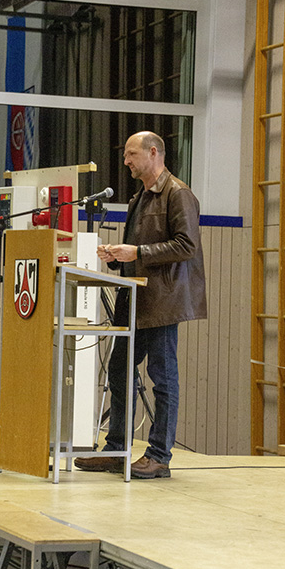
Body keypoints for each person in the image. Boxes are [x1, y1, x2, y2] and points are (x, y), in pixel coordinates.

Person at [75, 131, 207, 478]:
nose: (126, 161)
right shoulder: (139, 198)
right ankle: (116, 450)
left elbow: (187, 245)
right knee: (119, 371)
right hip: (134, 298)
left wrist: (137, 252)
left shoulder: (178, 194)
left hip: (162, 302)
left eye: (131, 154)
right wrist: (118, 257)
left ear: (153, 153)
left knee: (162, 378)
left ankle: (159, 456)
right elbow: (138, 251)